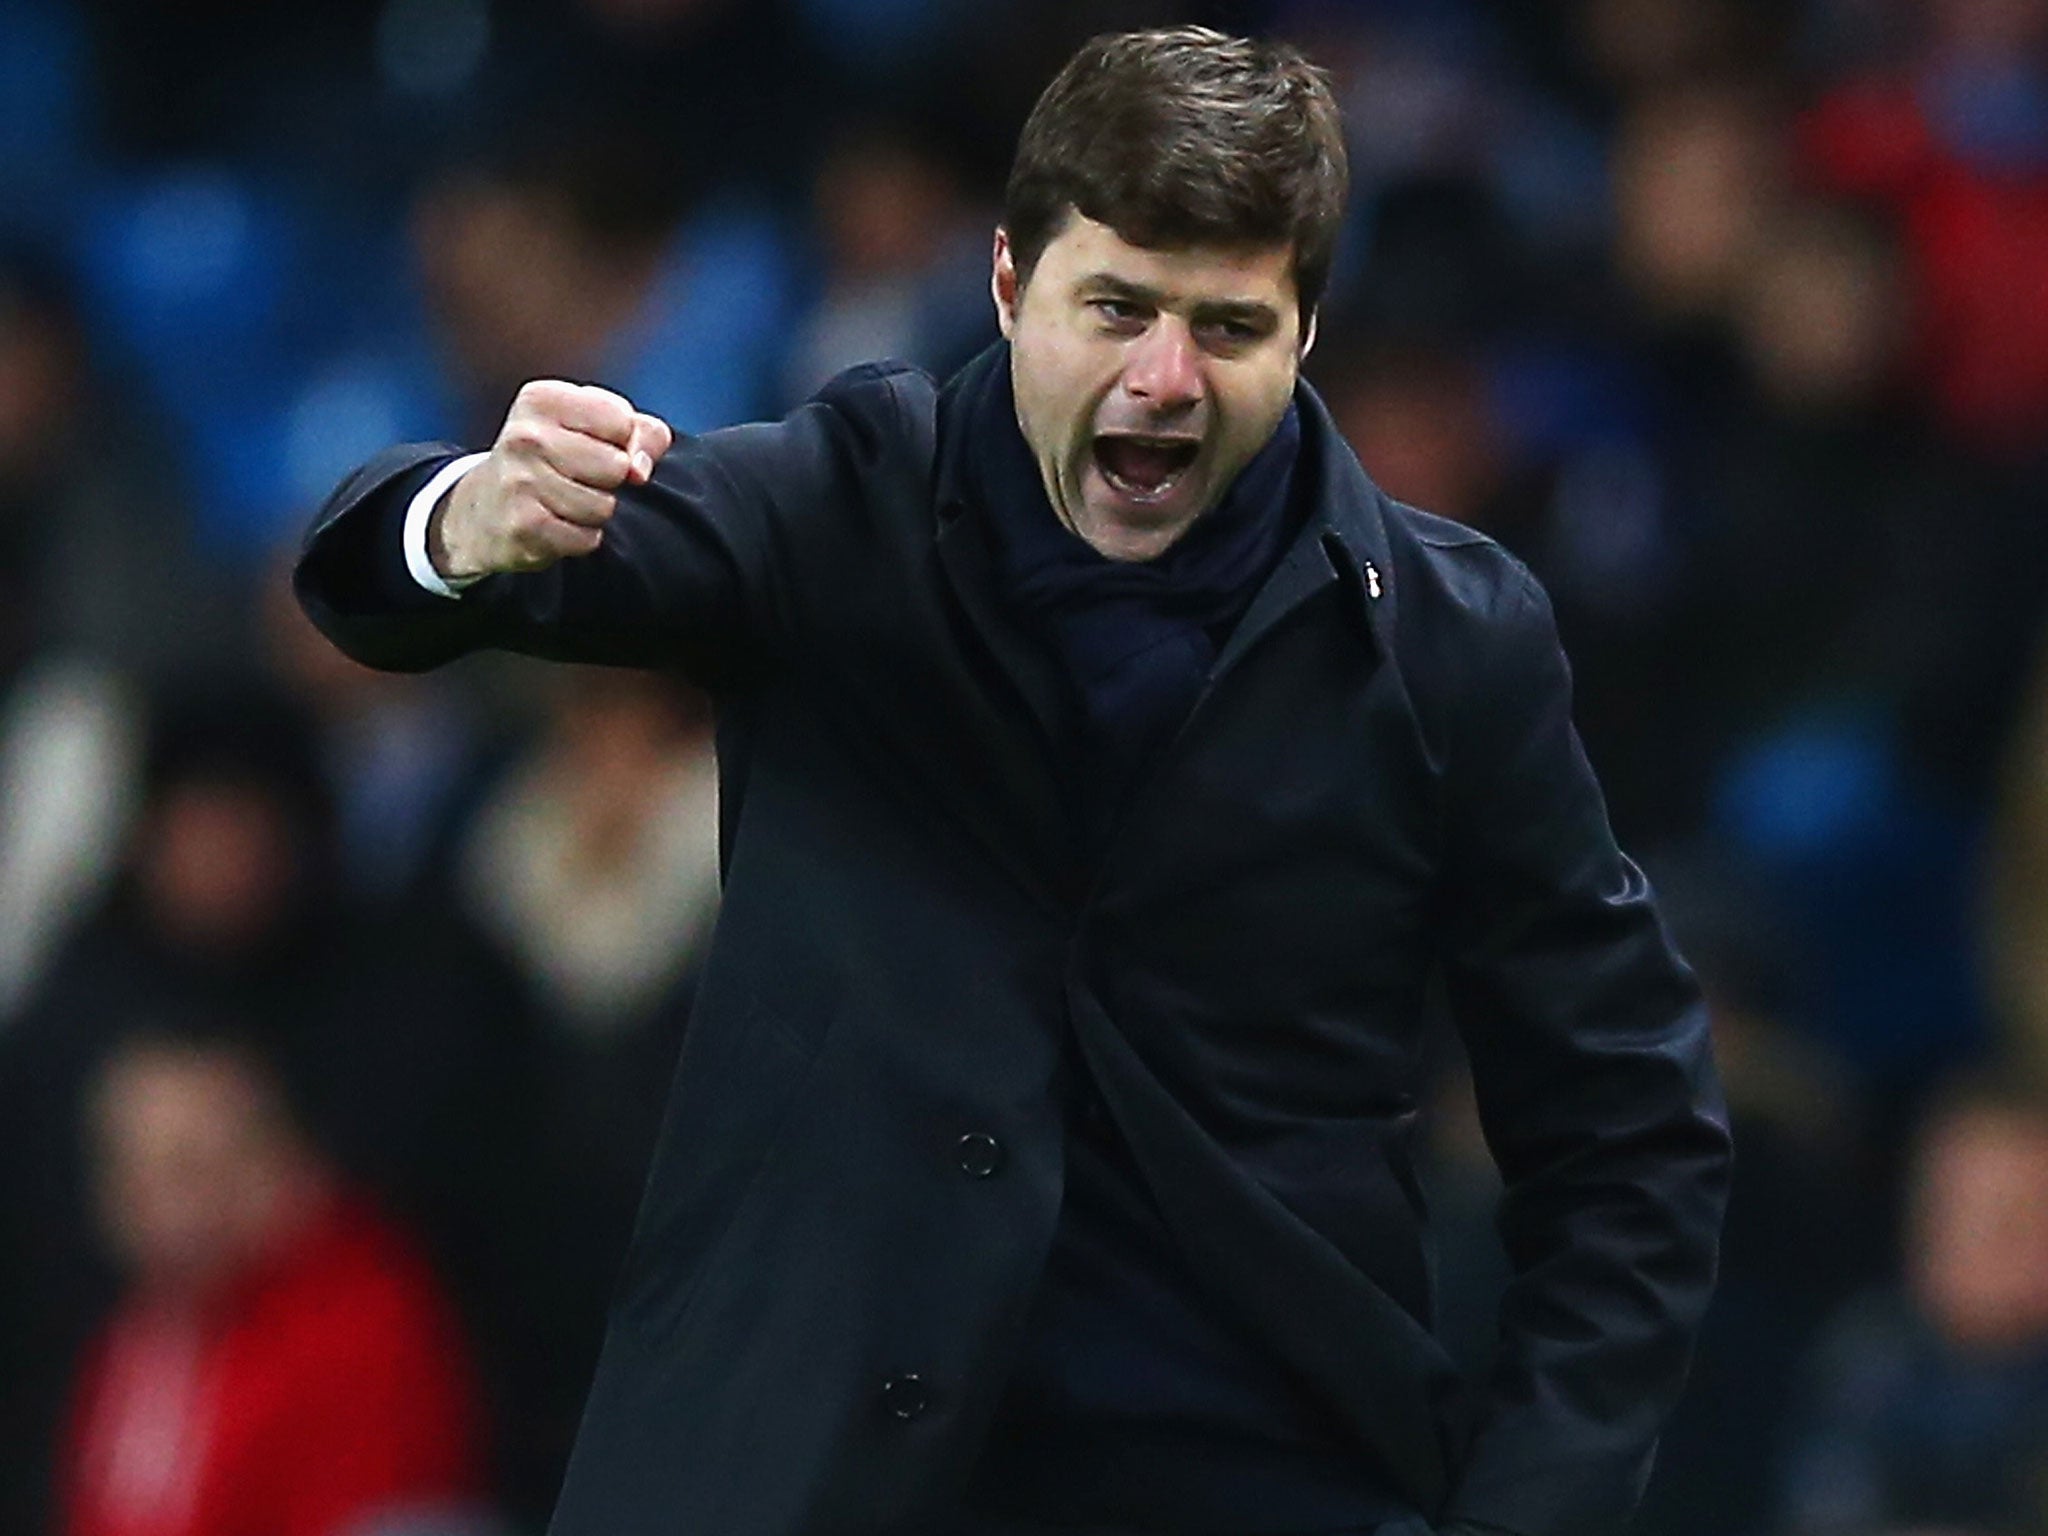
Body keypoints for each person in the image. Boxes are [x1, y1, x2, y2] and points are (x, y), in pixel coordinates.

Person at [295, 27, 1731, 1536]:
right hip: (793, 1483)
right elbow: (397, 580)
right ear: (1004, 285)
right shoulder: (845, 507)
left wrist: (1535, 1508)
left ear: (1309, 332)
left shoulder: (1453, 641)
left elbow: (1629, 1133)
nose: (1163, 380)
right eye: (1113, 308)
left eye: (1228, 327)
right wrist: (466, 516)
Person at [58, 1016, 489, 1536]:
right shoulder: (145, 1327)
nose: (155, 1210)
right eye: (129, 1172)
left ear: (280, 1157)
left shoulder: (360, 1329)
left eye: (190, 1168)